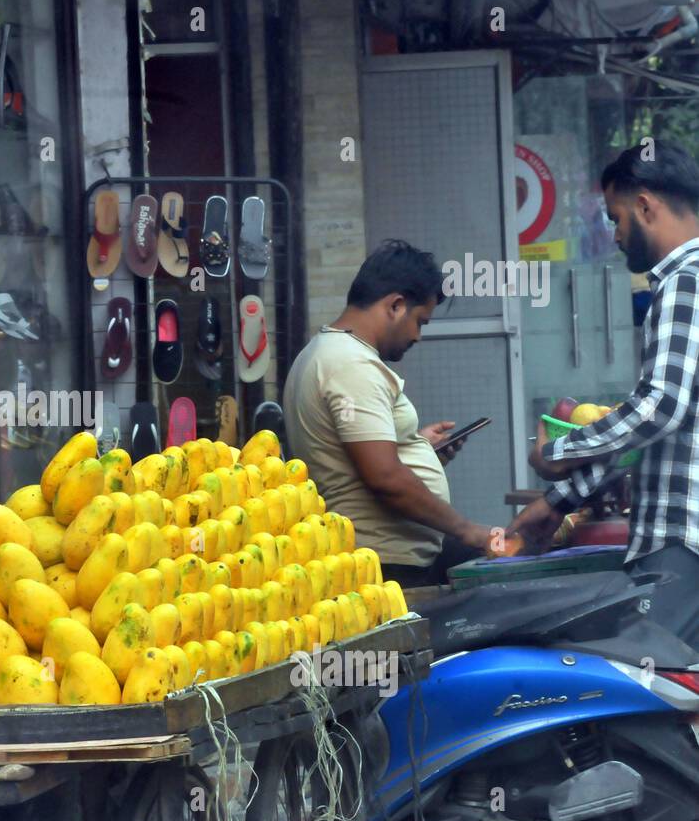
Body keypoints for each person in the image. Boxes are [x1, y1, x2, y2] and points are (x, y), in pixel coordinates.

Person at [511, 140, 699, 645]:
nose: (615, 235)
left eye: (616, 217)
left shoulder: (685, 281)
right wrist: (560, 500)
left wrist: (560, 451)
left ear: (645, 206)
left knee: (653, 686)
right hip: (682, 533)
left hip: (685, 537)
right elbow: (657, 432)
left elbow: (660, 407)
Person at [283, 239, 495, 587]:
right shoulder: (350, 365)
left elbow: (355, 454)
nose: (418, 336)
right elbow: (385, 479)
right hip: (387, 568)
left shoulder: (324, 351)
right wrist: (468, 529)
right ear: (395, 305)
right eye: (420, 321)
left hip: (384, 560)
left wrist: (418, 448)